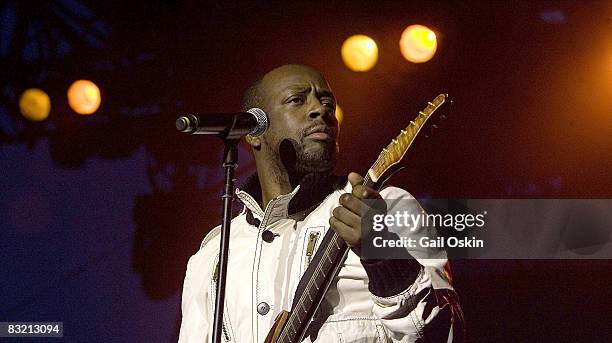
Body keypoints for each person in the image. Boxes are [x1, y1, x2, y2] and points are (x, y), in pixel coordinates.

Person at [178, 64, 462, 342]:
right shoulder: (213, 255)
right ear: (254, 131)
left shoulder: (386, 208)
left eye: (327, 101)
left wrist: (383, 257)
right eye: (296, 100)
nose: (321, 110)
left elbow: (445, 336)